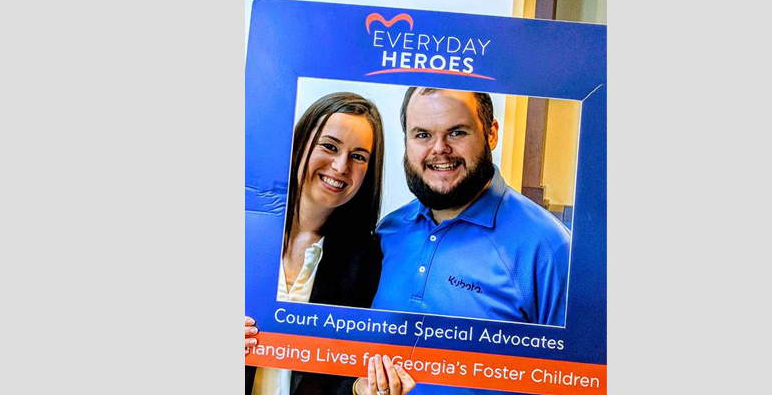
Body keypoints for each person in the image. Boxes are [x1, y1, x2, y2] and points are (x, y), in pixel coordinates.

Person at [371, 88, 570, 394]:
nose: (440, 149)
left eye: (457, 132)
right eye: (422, 134)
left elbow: (579, 379)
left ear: (491, 134)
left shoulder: (548, 249)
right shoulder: (389, 233)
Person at [244, 92, 415, 395]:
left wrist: (363, 389)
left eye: (358, 156)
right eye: (330, 146)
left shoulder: (368, 262)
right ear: (301, 142)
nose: (339, 166)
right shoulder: (245, 230)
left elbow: (342, 376)